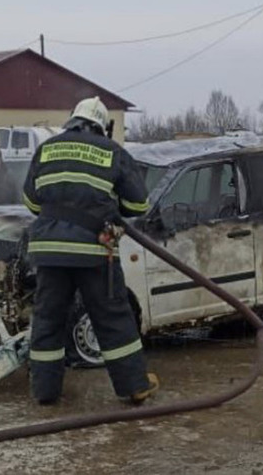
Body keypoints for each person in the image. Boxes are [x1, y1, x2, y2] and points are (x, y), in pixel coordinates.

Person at [23, 96, 159, 405]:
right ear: (102, 126)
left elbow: (31, 203)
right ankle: (134, 386)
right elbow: (139, 204)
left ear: (72, 119)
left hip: (48, 251)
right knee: (111, 316)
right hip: (94, 249)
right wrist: (109, 205)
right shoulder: (112, 152)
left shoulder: (47, 149)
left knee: (47, 319)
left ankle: (45, 392)